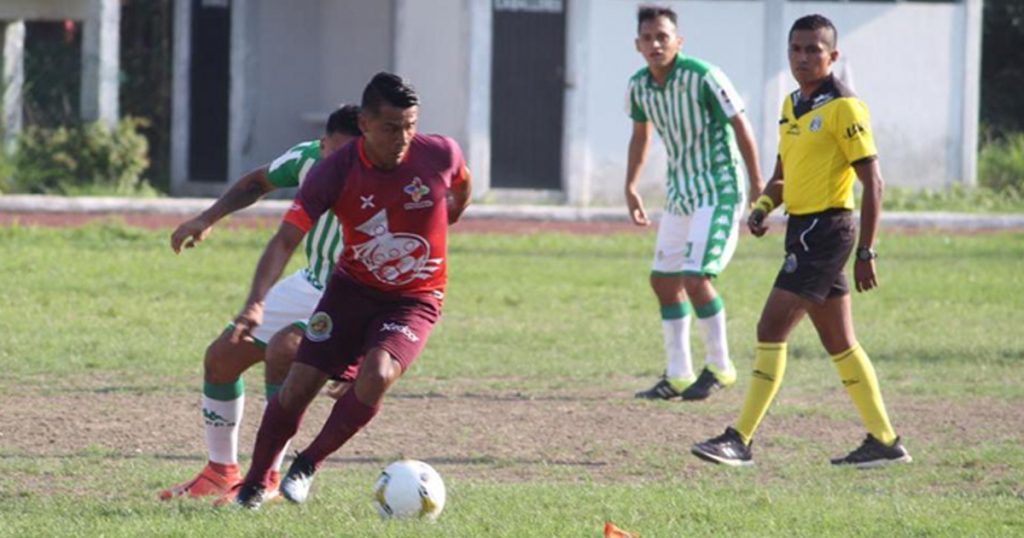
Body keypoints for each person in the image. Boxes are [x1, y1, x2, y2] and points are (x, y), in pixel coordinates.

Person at [228, 72, 472, 509]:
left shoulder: (439, 153)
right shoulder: (334, 172)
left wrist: (453, 211)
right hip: (351, 291)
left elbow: (461, 181)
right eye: (390, 128)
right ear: (364, 123)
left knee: (377, 375)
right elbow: (285, 239)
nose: (403, 138)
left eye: (411, 125)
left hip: (417, 297)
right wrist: (255, 303)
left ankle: (307, 463)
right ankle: (252, 483)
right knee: (299, 383)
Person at [691, 14, 912, 468]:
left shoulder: (845, 107)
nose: (804, 57)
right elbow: (782, 176)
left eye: (815, 49)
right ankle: (884, 441)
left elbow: (874, 182)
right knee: (840, 342)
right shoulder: (792, 104)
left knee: (770, 328)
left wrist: (868, 251)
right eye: (797, 49)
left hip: (828, 231)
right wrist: (762, 207)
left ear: (833, 56)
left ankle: (741, 439)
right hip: (802, 230)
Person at [159, 105, 362, 501]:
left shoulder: (389, 178)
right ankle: (220, 471)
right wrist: (207, 218)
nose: (341, 165)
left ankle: (266, 476)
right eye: (335, 154)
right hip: (311, 282)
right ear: (323, 146)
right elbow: (256, 182)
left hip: (356, 294)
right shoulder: (308, 159)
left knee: (286, 350)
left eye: (352, 157)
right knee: (223, 355)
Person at [625, 6, 764, 401]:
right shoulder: (638, 86)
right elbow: (641, 135)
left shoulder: (704, 76)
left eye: (663, 37)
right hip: (681, 192)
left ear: (678, 41)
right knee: (663, 281)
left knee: (695, 277)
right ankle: (679, 374)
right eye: (648, 38)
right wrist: (630, 184)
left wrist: (757, 185)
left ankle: (721, 366)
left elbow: (740, 123)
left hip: (719, 188)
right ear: (638, 45)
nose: (655, 44)